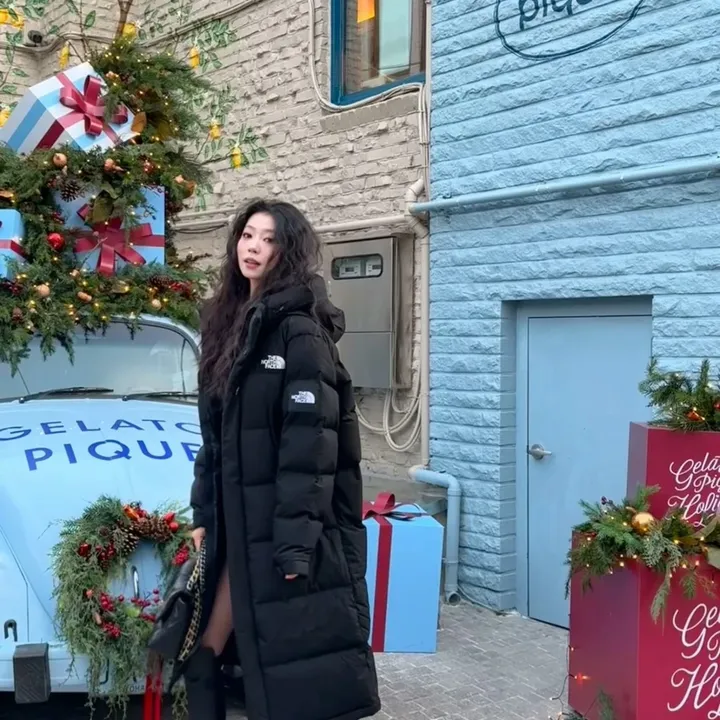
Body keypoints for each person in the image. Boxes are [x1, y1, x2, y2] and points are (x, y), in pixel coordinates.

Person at [185, 199, 381, 720]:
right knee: (208, 655)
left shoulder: (299, 331)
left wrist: (296, 543)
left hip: (277, 528)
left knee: (276, 665)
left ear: (287, 252)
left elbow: (310, 446)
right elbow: (213, 439)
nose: (253, 247)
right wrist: (203, 514)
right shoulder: (225, 323)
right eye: (248, 234)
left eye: (269, 240)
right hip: (236, 524)